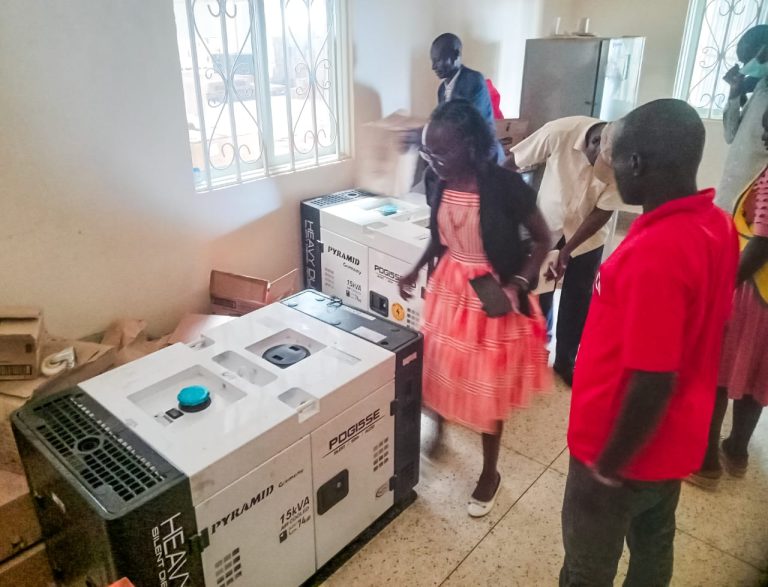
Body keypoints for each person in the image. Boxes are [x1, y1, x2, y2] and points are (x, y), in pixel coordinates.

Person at [560, 99, 738, 586]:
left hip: (618, 447)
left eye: (615, 158)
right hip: (674, 437)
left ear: (636, 163)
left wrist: (606, 469)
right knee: (654, 545)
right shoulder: (717, 225)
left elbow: (654, 378)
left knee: (587, 566)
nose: (610, 169)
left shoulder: (655, 253)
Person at [398, 99, 552, 517]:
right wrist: (415, 269)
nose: (433, 161)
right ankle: (439, 429)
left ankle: (489, 472)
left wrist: (518, 283)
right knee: (439, 367)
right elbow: (439, 237)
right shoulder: (438, 178)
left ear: (469, 144)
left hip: (492, 294)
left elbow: (543, 239)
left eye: (441, 152)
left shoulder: (505, 186)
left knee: (487, 386)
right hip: (449, 288)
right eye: (428, 152)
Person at [505, 116, 625, 385]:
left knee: (578, 297)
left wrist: (568, 250)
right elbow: (512, 162)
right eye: (597, 164)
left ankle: (565, 361)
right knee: (539, 292)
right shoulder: (558, 131)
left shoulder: (621, 154)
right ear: (594, 142)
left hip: (587, 237)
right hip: (546, 229)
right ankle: (535, 352)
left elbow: (603, 210)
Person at [689, 108, 768, 490]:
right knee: (756, 376)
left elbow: (762, 243)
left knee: (717, 373)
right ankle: (737, 451)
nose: (763, 138)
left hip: (752, 292)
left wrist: (722, 286)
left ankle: (705, 463)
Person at [716, 24, 768, 212]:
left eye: (749, 60)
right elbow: (731, 135)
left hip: (755, 201)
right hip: (731, 189)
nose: (748, 68)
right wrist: (735, 92)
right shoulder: (761, 87)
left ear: (764, 51)